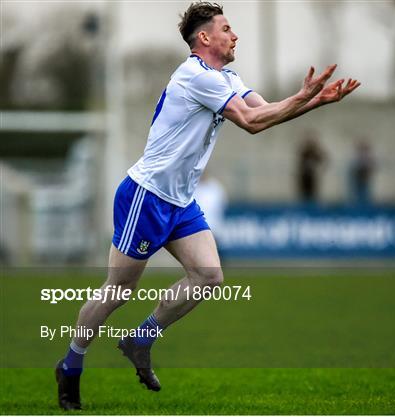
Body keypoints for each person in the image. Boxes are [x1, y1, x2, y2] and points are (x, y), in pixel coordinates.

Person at [55, 2, 360, 410]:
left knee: (209, 275)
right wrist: (307, 97)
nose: (235, 36)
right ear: (205, 38)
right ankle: (71, 364)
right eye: (227, 28)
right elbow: (251, 123)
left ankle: (140, 340)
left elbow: (262, 111)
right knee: (118, 292)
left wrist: (315, 100)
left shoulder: (226, 77)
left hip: (180, 201)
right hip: (145, 197)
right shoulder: (195, 75)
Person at [297, 132, 327, 204]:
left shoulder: (316, 151)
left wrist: (320, 168)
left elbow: (323, 159)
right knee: (304, 194)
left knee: (312, 194)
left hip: (312, 175)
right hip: (304, 175)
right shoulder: (304, 150)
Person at [348, 140, 375, 205]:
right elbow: (352, 167)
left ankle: (364, 204)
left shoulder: (368, 157)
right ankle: (357, 204)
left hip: (365, 177)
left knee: (364, 192)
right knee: (357, 193)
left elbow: (372, 166)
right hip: (358, 177)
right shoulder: (356, 157)